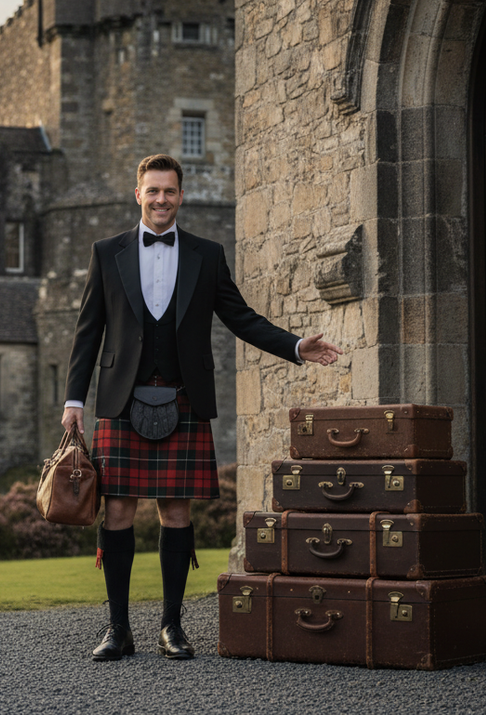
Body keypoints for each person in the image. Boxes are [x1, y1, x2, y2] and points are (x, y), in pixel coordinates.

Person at [61, 154, 343, 661]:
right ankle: (117, 629)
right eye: (153, 191)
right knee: (119, 508)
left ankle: (172, 627)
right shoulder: (108, 253)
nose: (161, 199)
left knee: (175, 510)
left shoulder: (205, 255)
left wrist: (296, 345)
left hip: (183, 396)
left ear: (181, 196)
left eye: (170, 191)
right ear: (138, 194)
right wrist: (73, 400)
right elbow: (88, 332)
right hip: (120, 398)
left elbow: (241, 317)